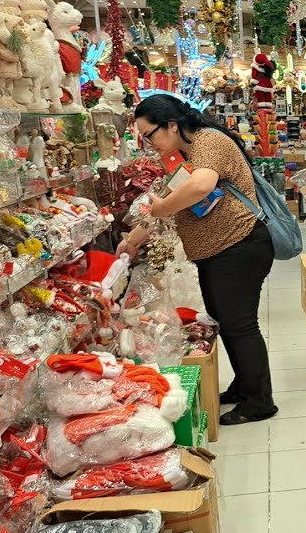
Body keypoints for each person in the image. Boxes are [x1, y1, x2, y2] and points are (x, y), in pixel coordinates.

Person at [118, 94, 278, 426]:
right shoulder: (184, 157)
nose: (149, 144)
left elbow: (200, 187)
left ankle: (259, 401)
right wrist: (132, 240)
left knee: (240, 325)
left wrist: (161, 207)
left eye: (150, 135)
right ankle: (244, 386)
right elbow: (163, 203)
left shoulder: (209, 142)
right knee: (226, 322)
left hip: (239, 245)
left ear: (172, 125)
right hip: (217, 252)